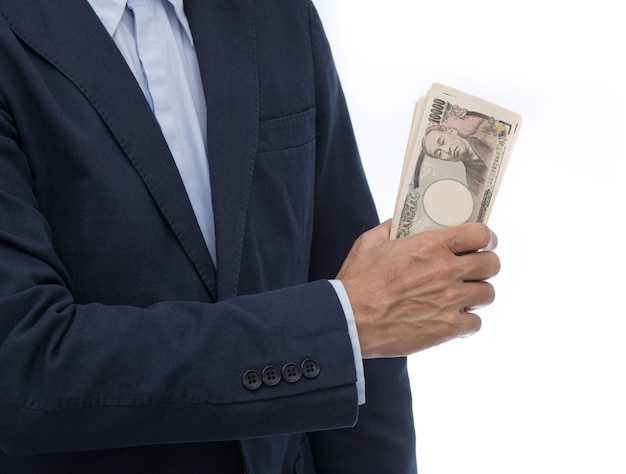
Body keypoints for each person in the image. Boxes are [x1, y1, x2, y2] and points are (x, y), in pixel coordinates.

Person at [0, 0, 500, 472]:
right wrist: (339, 326)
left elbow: (363, 288)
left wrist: (356, 323)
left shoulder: (278, 14)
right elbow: (24, 368)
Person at [421, 119, 499, 197]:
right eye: (439, 153)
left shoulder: (489, 127)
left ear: (451, 131)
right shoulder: (474, 185)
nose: (447, 149)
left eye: (442, 141)